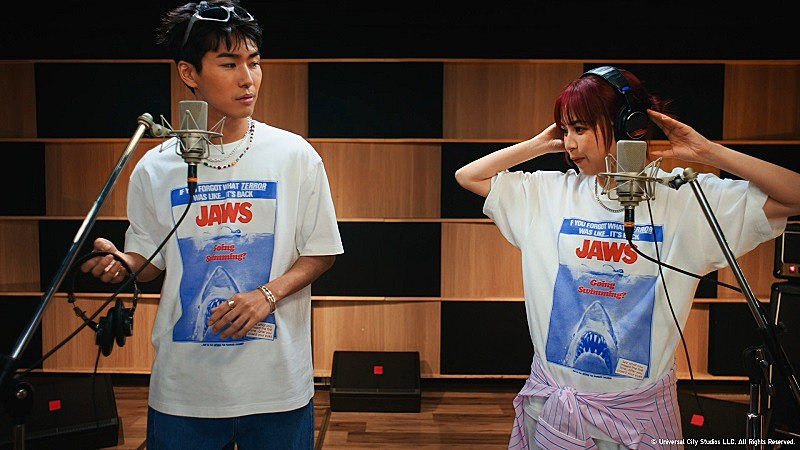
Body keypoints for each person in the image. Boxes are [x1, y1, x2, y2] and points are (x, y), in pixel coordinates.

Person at [455, 66, 800, 449]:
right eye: (565, 131)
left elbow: (793, 195)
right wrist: (539, 145)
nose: (568, 144)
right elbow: (468, 176)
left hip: (638, 416)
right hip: (554, 407)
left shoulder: (685, 199)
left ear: (627, 125)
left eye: (580, 129)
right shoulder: (548, 194)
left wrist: (707, 152)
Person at [80, 1, 343, 448]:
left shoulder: (294, 155)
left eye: (254, 62)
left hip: (276, 385)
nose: (248, 78)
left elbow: (321, 251)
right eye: (229, 63)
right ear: (189, 72)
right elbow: (150, 262)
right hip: (185, 389)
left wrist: (266, 296)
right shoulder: (155, 167)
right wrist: (123, 263)